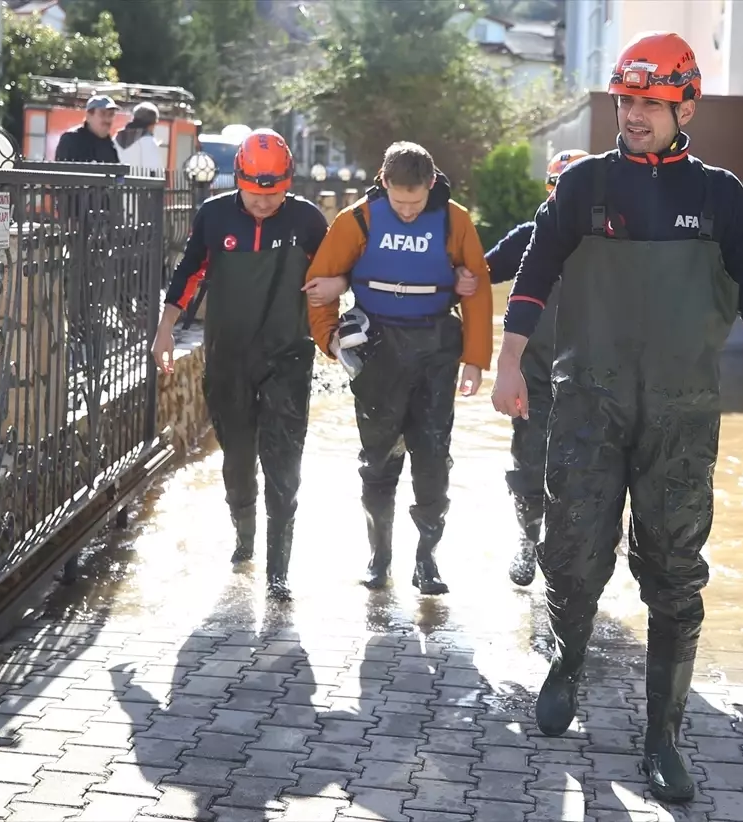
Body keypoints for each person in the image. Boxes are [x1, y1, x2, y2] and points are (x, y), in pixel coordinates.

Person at [490, 32, 743, 804]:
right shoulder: (583, 187)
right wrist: (507, 361)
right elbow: (533, 274)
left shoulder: (721, 198)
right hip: (587, 406)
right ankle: (567, 658)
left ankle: (662, 735)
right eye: (625, 101)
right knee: (571, 554)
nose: (633, 115)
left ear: (684, 108)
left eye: (650, 104)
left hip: (681, 414)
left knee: (674, 575)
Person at [303, 141, 492, 596]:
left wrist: (475, 360)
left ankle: (427, 559)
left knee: (432, 459)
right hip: (378, 350)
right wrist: (329, 340)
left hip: (436, 348)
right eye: (399, 201)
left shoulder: (455, 220)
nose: (407, 212)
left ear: (431, 185)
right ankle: (379, 556)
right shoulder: (357, 220)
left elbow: (479, 288)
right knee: (378, 461)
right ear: (383, 183)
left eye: (416, 201)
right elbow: (318, 287)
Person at [151, 129, 328, 601]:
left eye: (275, 195)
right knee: (237, 457)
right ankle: (244, 536)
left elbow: (337, 271)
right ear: (239, 181)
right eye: (256, 194)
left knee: (284, 462)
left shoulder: (308, 221)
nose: (265, 204)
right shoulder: (214, 215)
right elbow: (188, 272)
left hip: (287, 355)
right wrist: (166, 328)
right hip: (228, 357)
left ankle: (278, 569)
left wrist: (336, 293)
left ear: (288, 184)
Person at [458, 149, 589, 588]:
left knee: (589, 471)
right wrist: (456, 277)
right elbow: (479, 271)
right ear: (549, 192)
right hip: (533, 377)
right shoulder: (530, 237)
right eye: (559, 191)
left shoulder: (612, 246)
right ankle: (527, 542)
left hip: (594, 381)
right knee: (530, 466)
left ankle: (579, 557)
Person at [55, 95, 121, 164]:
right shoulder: (71, 140)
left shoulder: (109, 145)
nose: (107, 119)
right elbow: (60, 171)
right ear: (88, 116)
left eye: (111, 114)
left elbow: (117, 172)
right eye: (102, 113)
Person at [114, 102, 165, 174]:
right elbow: (156, 173)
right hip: (139, 185)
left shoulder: (115, 139)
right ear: (152, 124)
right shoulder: (148, 142)